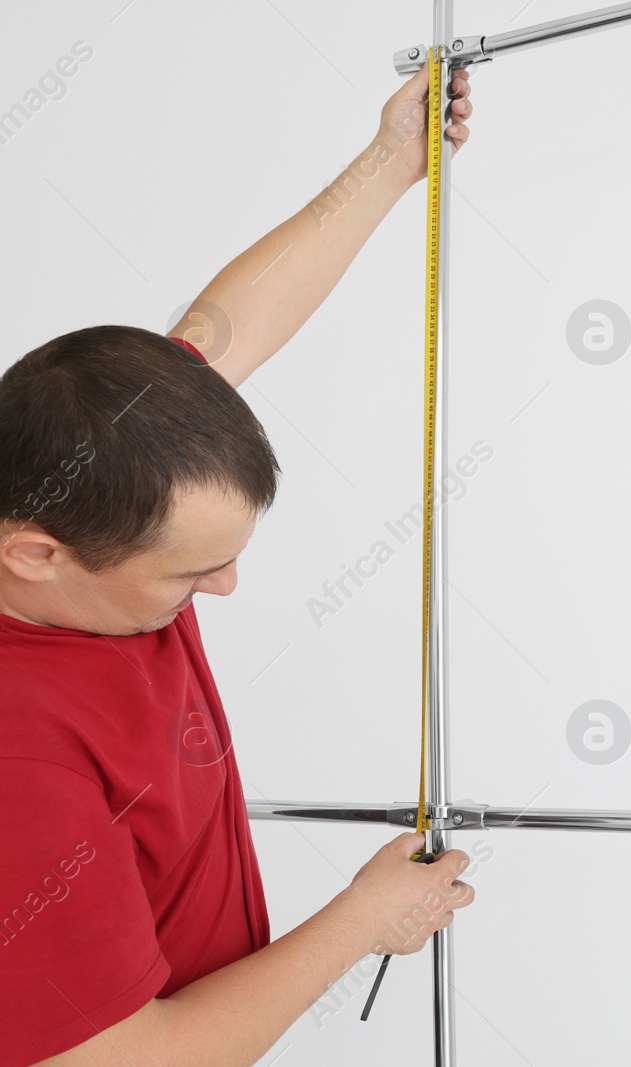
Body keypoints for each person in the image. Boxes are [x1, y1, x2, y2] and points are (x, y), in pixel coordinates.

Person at [0, 60, 479, 1067]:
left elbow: (230, 326)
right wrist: (362, 919)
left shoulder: (96, 472)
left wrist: (392, 160)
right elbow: (121, 1057)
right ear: (34, 552)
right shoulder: (17, 758)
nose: (222, 591)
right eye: (186, 574)